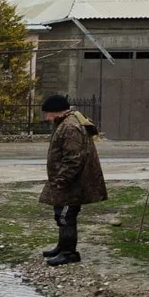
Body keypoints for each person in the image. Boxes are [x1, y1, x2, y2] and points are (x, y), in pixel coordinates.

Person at [38, 94, 107, 266]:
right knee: (61, 214)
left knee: (65, 215)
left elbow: (73, 159)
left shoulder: (70, 127)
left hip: (72, 183)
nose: (47, 118)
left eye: (48, 114)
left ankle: (69, 253)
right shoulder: (67, 123)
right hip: (69, 181)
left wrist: (61, 181)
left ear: (58, 112)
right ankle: (62, 247)